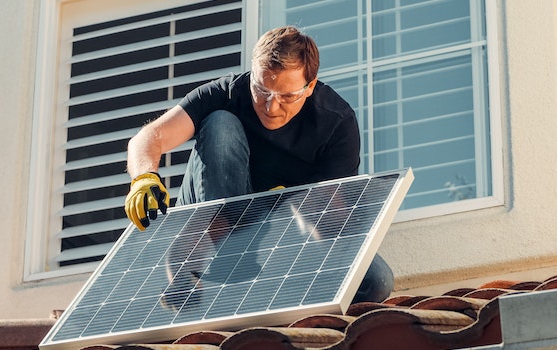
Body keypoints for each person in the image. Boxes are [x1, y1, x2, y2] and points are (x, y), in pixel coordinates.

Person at [124, 26, 393, 303]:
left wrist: (298, 205)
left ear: (310, 86)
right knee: (220, 123)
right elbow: (149, 137)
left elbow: (336, 226)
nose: (270, 107)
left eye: (287, 96)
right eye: (261, 90)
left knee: (375, 281)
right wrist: (143, 178)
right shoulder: (227, 93)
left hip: (285, 234)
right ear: (252, 75)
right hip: (219, 221)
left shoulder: (335, 123)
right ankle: (217, 254)